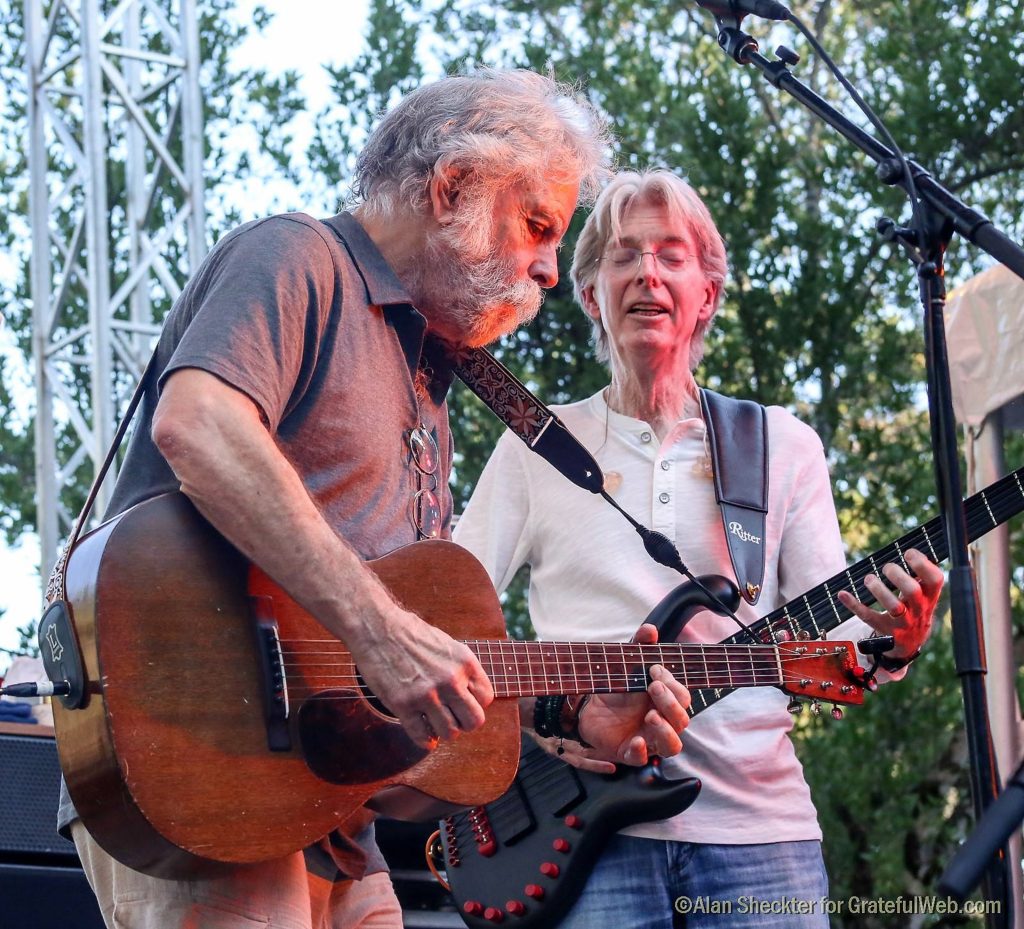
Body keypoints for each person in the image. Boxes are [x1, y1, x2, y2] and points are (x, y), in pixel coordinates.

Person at [57, 75, 693, 929]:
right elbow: (199, 423)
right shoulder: (298, 257)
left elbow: (410, 672)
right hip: (202, 763)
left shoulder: (429, 374)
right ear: (452, 188)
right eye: (539, 225)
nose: (549, 266)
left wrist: (568, 710)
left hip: (337, 820)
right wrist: (381, 630)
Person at [453, 168, 945, 928]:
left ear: (706, 294)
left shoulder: (781, 444)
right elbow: (443, 630)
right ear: (591, 294)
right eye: (624, 255)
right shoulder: (533, 447)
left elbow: (840, 647)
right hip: (578, 832)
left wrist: (895, 640)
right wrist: (552, 719)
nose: (646, 272)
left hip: (761, 833)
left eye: (671, 255)